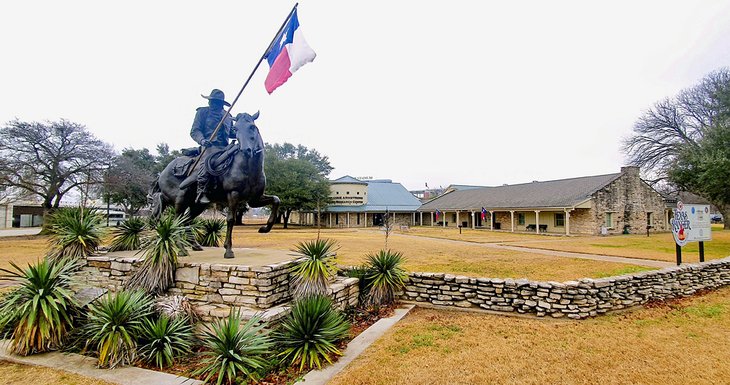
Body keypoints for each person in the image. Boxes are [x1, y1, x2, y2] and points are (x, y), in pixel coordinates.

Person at [189, 89, 235, 204]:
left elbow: (231, 133)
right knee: (207, 163)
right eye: (212, 101)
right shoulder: (202, 112)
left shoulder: (227, 116)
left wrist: (243, 130)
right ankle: (201, 192)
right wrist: (202, 140)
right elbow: (195, 130)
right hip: (209, 147)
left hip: (225, 148)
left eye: (217, 102)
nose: (213, 104)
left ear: (221, 104)